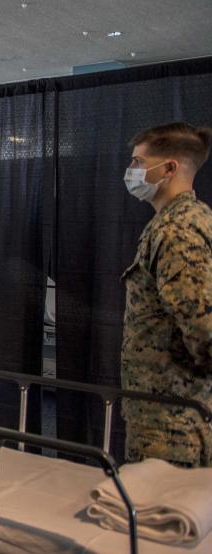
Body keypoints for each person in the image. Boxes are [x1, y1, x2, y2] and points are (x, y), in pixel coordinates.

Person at [121, 122, 212, 467]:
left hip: (173, 424)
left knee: (159, 516)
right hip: (170, 412)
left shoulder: (177, 230)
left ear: (169, 167)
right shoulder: (191, 219)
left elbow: (203, 330)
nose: (132, 172)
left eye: (138, 162)